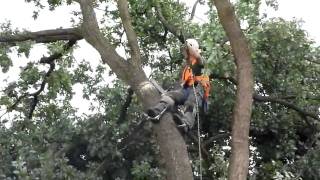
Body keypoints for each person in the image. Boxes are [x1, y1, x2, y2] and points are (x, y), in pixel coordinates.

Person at [146, 38, 211, 132]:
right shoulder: (186, 67)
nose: (183, 52)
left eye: (185, 50)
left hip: (197, 90)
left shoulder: (199, 61)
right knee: (171, 95)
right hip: (186, 90)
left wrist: (189, 46)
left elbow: (199, 60)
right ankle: (157, 111)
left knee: (190, 103)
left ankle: (186, 123)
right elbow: (182, 83)